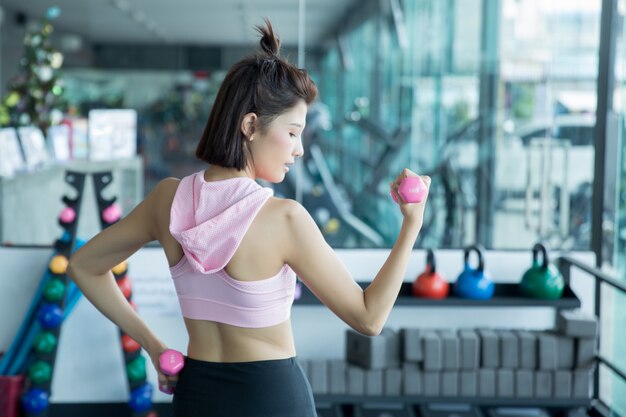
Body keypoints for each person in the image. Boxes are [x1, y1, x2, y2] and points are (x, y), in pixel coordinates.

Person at [68, 19, 430, 417]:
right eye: (293, 133)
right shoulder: (285, 219)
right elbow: (369, 318)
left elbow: (84, 265)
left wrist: (154, 346)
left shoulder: (165, 199)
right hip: (273, 399)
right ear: (251, 125)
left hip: (196, 395)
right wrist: (412, 223)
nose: (300, 150)